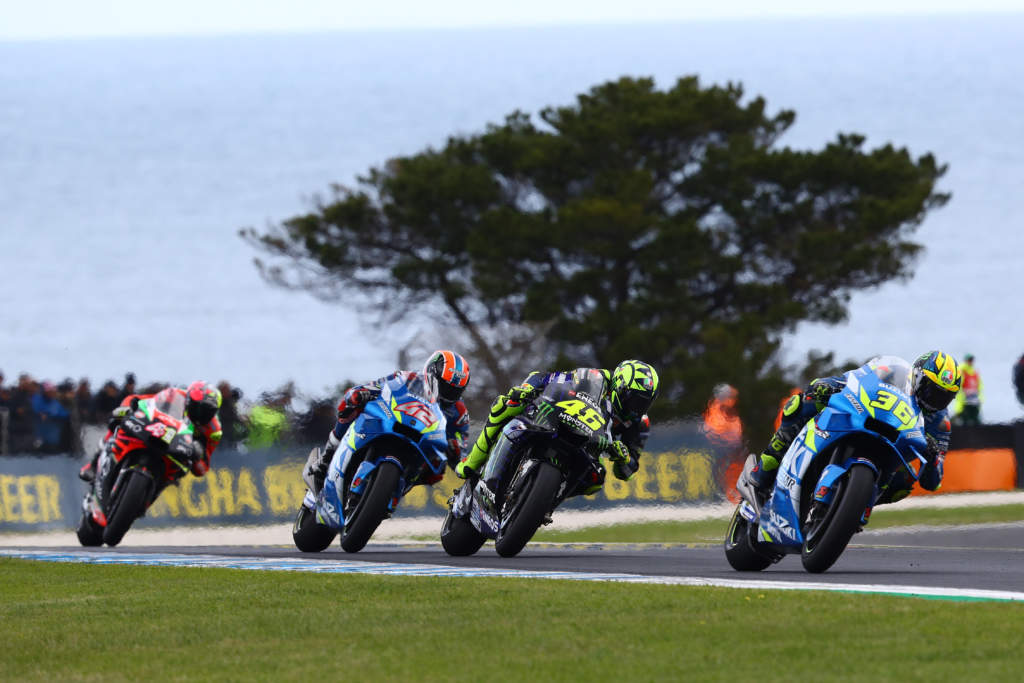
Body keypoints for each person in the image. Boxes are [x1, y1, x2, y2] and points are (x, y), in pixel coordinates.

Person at [749, 351, 963, 501]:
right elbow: (856, 378)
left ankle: (855, 507)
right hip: (862, 423)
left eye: (943, 397)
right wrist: (830, 385)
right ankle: (767, 465)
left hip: (890, 457)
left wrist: (934, 457)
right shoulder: (892, 373)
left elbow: (933, 482)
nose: (934, 399)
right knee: (801, 402)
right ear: (917, 376)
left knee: (905, 483)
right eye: (930, 389)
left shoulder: (939, 423)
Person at [455, 360, 659, 492]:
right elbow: (547, 377)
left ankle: (549, 498)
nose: (636, 408)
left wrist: (623, 457)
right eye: (634, 400)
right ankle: (473, 461)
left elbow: (629, 470)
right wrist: (527, 389)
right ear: (620, 387)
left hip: (587, 450)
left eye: (644, 403)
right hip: (557, 421)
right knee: (507, 404)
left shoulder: (639, 423)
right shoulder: (596, 377)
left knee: (597, 481)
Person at [306, 350, 472, 492]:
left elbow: (462, 445)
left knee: (437, 471)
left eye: (455, 390)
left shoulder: (459, 412)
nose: (448, 393)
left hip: (422, 446)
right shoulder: (410, 378)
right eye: (445, 386)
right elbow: (382, 385)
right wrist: (365, 392)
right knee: (351, 401)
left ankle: (394, 492)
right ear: (431, 373)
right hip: (394, 423)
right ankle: (327, 457)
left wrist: (457, 451)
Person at [79, 381, 223, 482]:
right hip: (155, 432)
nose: (199, 413)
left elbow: (203, 469)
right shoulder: (175, 395)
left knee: (176, 475)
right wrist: (128, 408)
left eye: (206, 410)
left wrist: (197, 455)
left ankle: (146, 497)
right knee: (117, 422)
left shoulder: (214, 430)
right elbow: (136, 399)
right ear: (189, 399)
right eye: (196, 406)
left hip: (175, 454)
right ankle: (94, 462)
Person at [953, 353, 982, 426]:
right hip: (964, 403)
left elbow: (979, 387)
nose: (971, 362)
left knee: (975, 422)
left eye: (971, 360)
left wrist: (980, 399)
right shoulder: (962, 370)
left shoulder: (974, 372)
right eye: (969, 360)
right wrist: (960, 403)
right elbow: (958, 387)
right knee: (964, 423)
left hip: (974, 401)